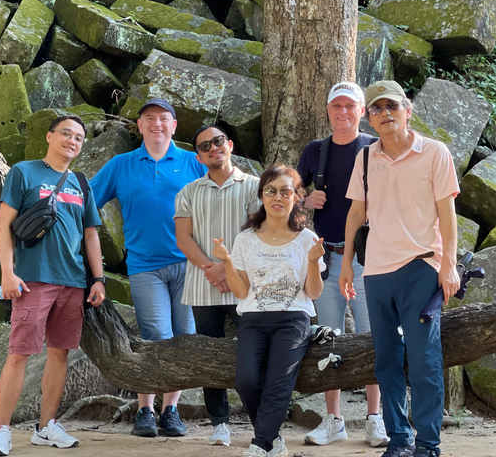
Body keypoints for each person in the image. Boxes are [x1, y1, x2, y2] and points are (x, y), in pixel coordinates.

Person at [340, 80, 460, 457]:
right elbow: (357, 212)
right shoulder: (364, 158)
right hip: (375, 271)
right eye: (377, 108)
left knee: (424, 359)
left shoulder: (435, 153)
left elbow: (448, 213)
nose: (385, 113)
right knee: (386, 358)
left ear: (407, 110)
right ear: (369, 118)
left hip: (421, 267)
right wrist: (346, 264)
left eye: (392, 106)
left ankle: (427, 444)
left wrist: (449, 266)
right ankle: (399, 438)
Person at [0, 115, 106, 456]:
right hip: (33, 279)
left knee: (59, 353)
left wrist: (98, 279)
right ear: (50, 136)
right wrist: (8, 273)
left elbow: (90, 235)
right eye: (66, 133)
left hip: (73, 281)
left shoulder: (81, 183)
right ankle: (2, 430)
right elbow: (4, 228)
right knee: (20, 353)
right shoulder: (23, 172)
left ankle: (46, 426)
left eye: (79, 138)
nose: (72, 140)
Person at [90, 98, 207, 438]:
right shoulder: (121, 165)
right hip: (144, 266)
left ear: (174, 125)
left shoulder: (192, 162)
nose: (157, 123)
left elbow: (224, 192)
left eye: (164, 118)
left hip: (188, 264)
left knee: (184, 337)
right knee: (154, 337)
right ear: (138, 126)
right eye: (149, 118)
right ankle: (145, 409)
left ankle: (171, 410)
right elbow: (86, 203)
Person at [296, 81, 388, 447]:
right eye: (337, 106)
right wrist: (306, 202)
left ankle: (375, 418)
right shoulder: (315, 151)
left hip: (368, 260)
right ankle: (333, 419)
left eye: (350, 106)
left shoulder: (376, 148)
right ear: (329, 110)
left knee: (374, 338)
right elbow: (289, 193)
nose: (343, 112)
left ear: (361, 111)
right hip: (327, 258)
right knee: (328, 339)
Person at [212, 165, 326, 457]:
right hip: (253, 318)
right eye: (271, 190)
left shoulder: (307, 239)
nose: (278, 197)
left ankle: (261, 444)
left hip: (293, 320)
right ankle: (272, 438)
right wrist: (226, 262)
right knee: (246, 380)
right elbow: (240, 291)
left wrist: (313, 263)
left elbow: (313, 294)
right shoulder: (246, 238)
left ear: (296, 197)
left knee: (279, 381)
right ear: (262, 196)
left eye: (285, 191)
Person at [174, 124, 260, 446]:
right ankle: (219, 422)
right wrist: (211, 268)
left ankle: (260, 420)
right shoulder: (188, 192)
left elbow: (257, 235)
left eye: (218, 141)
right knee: (209, 353)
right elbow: (183, 238)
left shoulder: (253, 187)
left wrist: (229, 269)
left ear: (230, 145)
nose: (213, 148)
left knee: (253, 351)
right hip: (202, 283)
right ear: (198, 155)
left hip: (244, 284)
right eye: (205, 145)